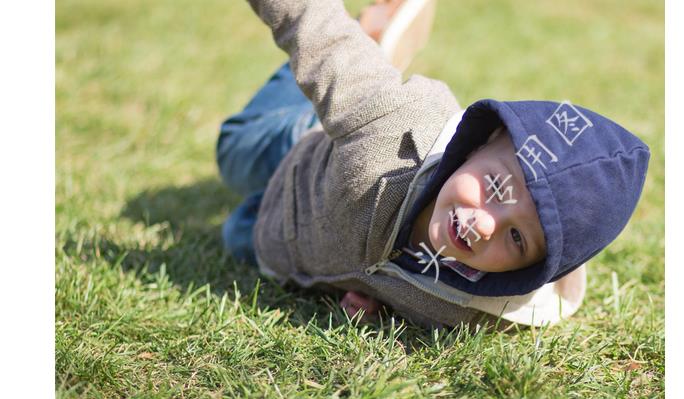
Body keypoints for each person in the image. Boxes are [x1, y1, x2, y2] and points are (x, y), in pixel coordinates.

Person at [216, 0, 650, 328]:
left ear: (529, 270)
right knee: (235, 152)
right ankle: (372, 39)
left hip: (301, 238)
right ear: (479, 144)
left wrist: (378, 300)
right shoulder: (388, 128)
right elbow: (316, 32)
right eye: (496, 188)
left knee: (241, 235)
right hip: (311, 155)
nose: (484, 226)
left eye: (517, 238)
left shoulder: (477, 309)